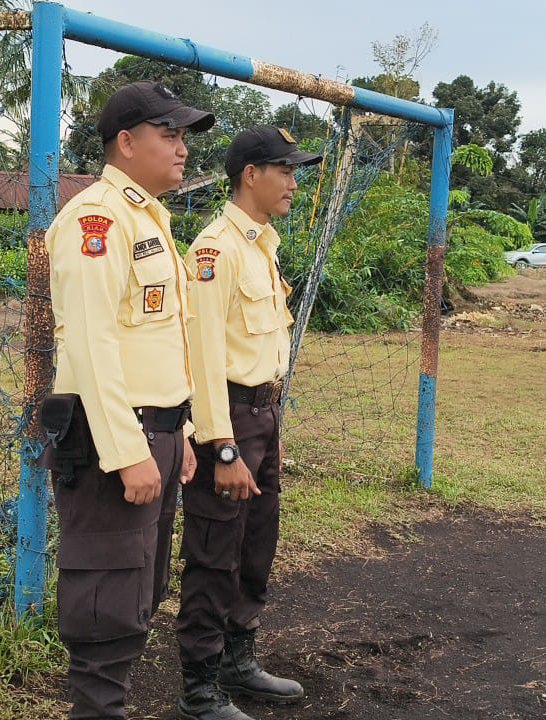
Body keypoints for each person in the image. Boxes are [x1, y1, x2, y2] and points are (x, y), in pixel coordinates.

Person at [43, 80, 214, 720]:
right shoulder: (97, 221)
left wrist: (183, 433)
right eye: (169, 135)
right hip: (117, 437)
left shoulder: (150, 220)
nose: (182, 149)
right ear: (126, 142)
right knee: (106, 600)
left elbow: (160, 341)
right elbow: (90, 345)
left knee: (137, 588)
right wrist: (128, 450)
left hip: (157, 434)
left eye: (183, 136)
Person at [174, 126, 319, 720]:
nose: (292, 181)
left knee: (256, 540)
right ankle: (200, 689)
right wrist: (223, 446)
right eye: (283, 170)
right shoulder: (217, 249)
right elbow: (202, 354)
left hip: (263, 412)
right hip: (227, 418)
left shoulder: (263, 242)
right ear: (250, 174)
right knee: (214, 550)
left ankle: (239, 658)